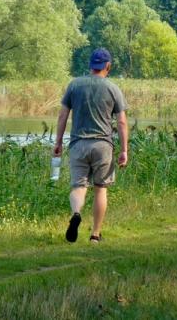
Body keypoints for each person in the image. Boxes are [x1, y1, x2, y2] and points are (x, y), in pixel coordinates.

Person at [53, 48, 128, 244]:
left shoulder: (74, 85)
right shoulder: (113, 88)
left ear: (90, 66)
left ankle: (76, 213)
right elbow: (121, 122)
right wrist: (124, 150)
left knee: (78, 186)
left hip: (78, 144)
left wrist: (58, 142)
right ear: (108, 66)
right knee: (100, 188)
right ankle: (95, 235)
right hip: (103, 145)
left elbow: (62, 115)